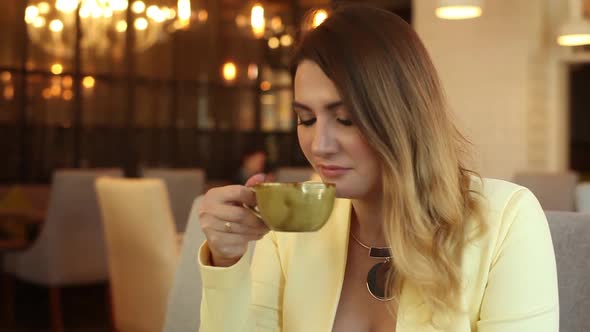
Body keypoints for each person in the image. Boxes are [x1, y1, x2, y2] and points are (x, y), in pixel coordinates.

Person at [197, 4, 558, 331]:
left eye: (345, 118)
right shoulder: (292, 232)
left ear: (403, 116)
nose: (320, 145)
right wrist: (227, 262)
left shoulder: (506, 220)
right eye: (306, 119)